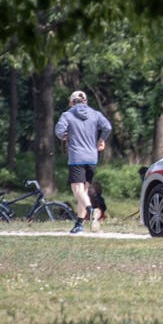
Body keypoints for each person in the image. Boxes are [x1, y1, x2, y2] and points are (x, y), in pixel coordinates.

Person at [54, 89, 113, 234]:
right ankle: (79, 224)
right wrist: (101, 140)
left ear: (71, 102)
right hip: (92, 158)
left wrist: (66, 136)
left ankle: (91, 211)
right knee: (84, 191)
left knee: (77, 190)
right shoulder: (95, 114)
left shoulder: (67, 115)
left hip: (76, 158)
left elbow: (59, 131)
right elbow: (107, 127)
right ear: (85, 101)